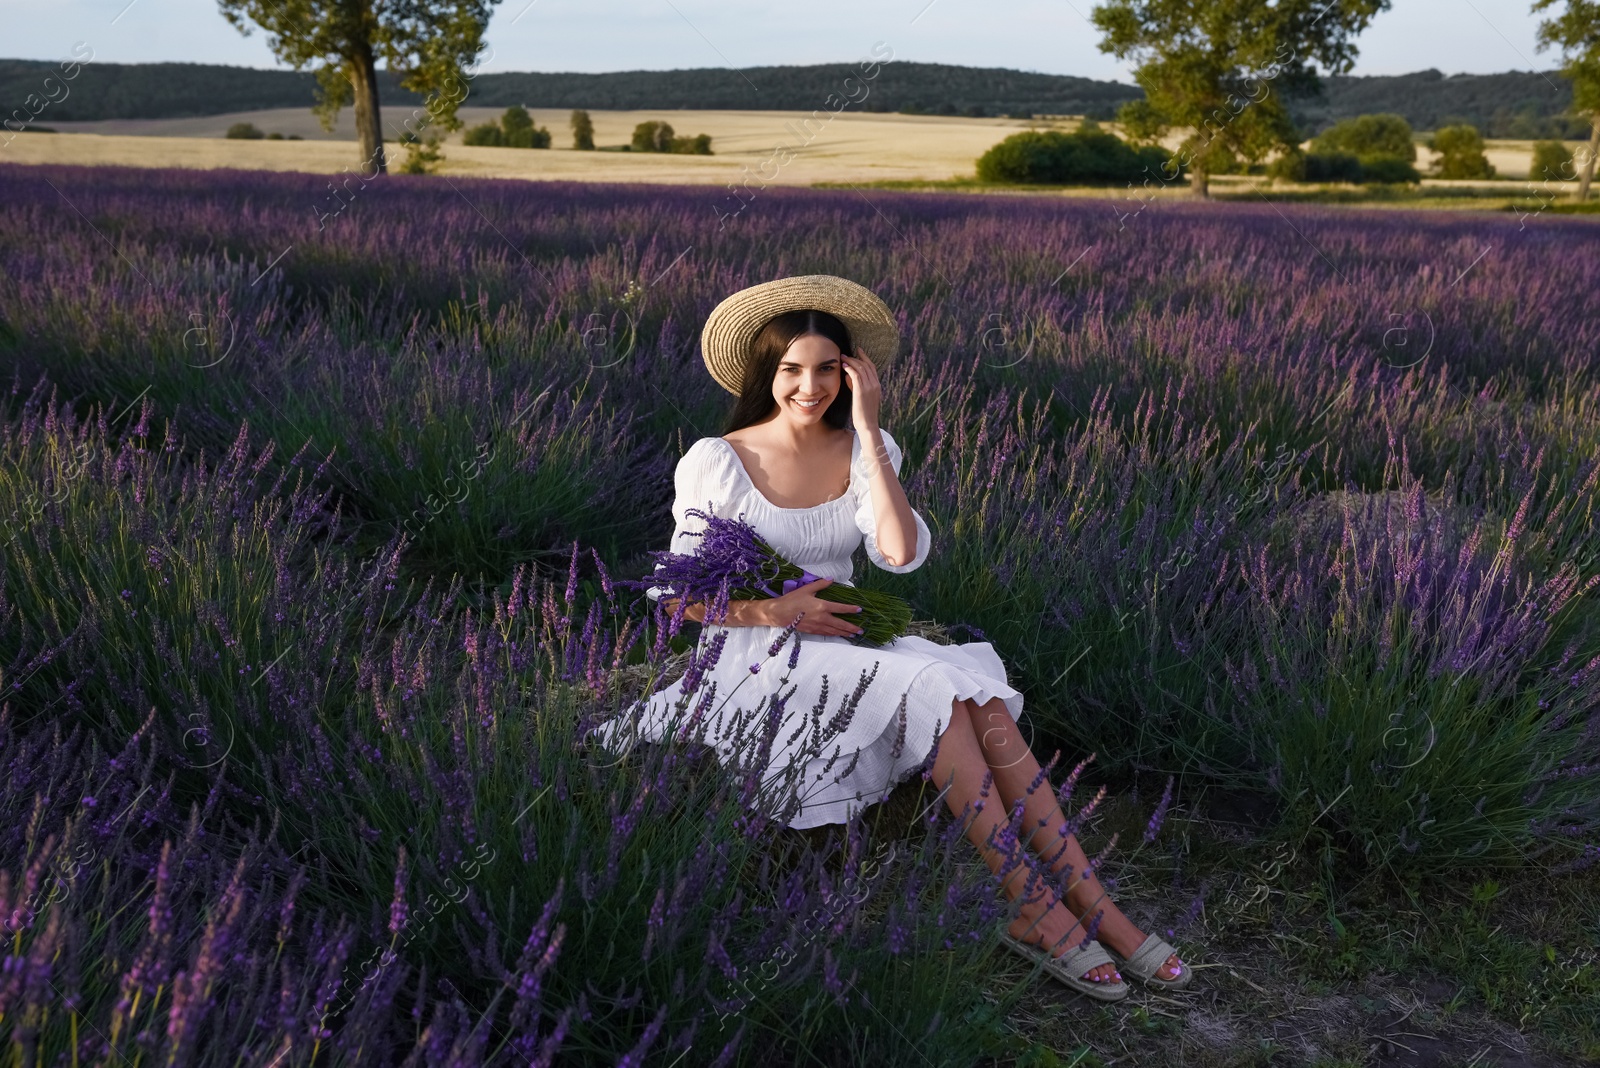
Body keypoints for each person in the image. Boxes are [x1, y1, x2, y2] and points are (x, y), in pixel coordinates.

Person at [592, 275, 1188, 999]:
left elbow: (900, 555)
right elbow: (674, 595)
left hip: (847, 640)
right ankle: (1038, 911)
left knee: (979, 697)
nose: (808, 386)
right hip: (758, 653)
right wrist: (777, 613)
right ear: (765, 374)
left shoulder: (869, 446)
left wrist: (870, 432)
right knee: (939, 687)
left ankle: (1094, 909)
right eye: (790, 370)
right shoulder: (719, 458)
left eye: (825, 369)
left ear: (851, 372)